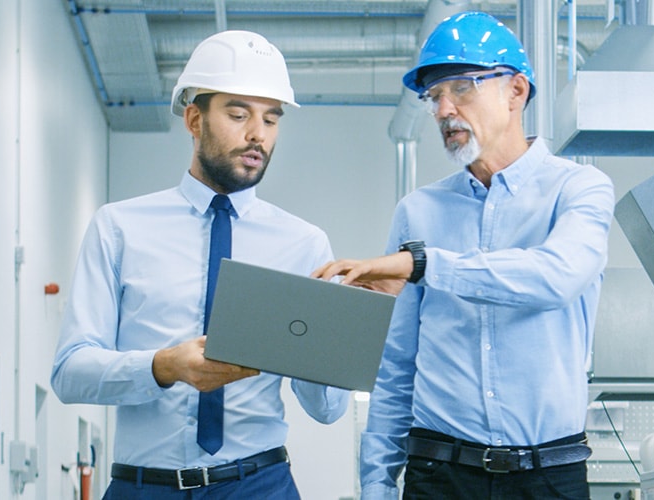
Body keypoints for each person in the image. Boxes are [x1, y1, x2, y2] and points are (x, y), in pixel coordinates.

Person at [311, 12, 615, 500]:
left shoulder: (579, 189)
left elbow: (557, 276)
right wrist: (375, 480)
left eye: (462, 88)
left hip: (548, 476)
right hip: (440, 474)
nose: (443, 109)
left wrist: (425, 264)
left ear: (516, 91)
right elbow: (398, 364)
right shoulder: (419, 211)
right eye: (434, 96)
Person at [52, 30, 347, 499]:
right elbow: (70, 372)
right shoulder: (120, 228)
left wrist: (336, 338)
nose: (258, 134)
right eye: (238, 114)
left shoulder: (305, 244)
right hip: (145, 486)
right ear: (194, 119)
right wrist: (162, 366)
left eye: (271, 120)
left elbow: (328, 409)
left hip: (260, 486)